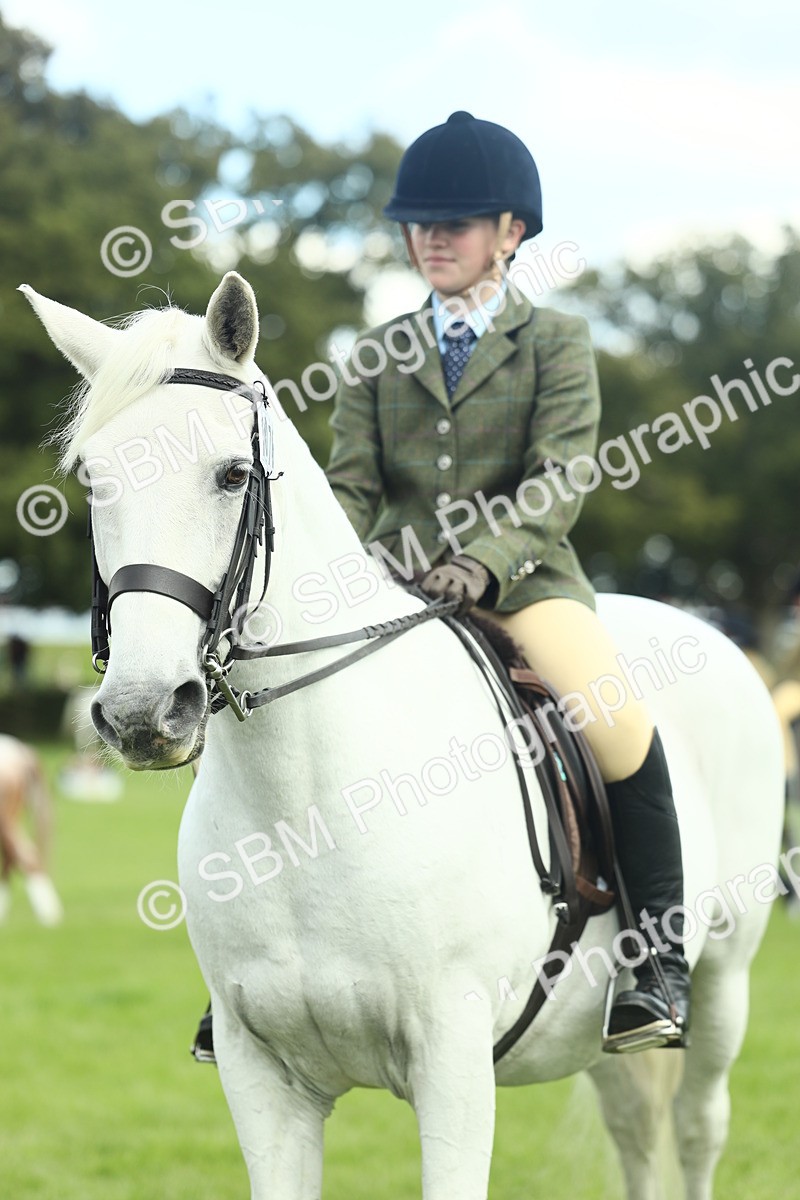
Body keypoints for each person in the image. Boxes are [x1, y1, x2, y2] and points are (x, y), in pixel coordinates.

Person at [323, 111, 691, 1053]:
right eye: (420, 222)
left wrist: (480, 561)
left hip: (527, 583)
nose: (432, 238)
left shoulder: (558, 342)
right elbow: (353, 487)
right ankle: (258, 972)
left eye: (457, 221)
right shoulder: (374, 355)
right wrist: (346, 567)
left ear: (512, 233)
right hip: (398, 587)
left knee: (617, 725)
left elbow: (559, 478)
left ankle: (655, 961)